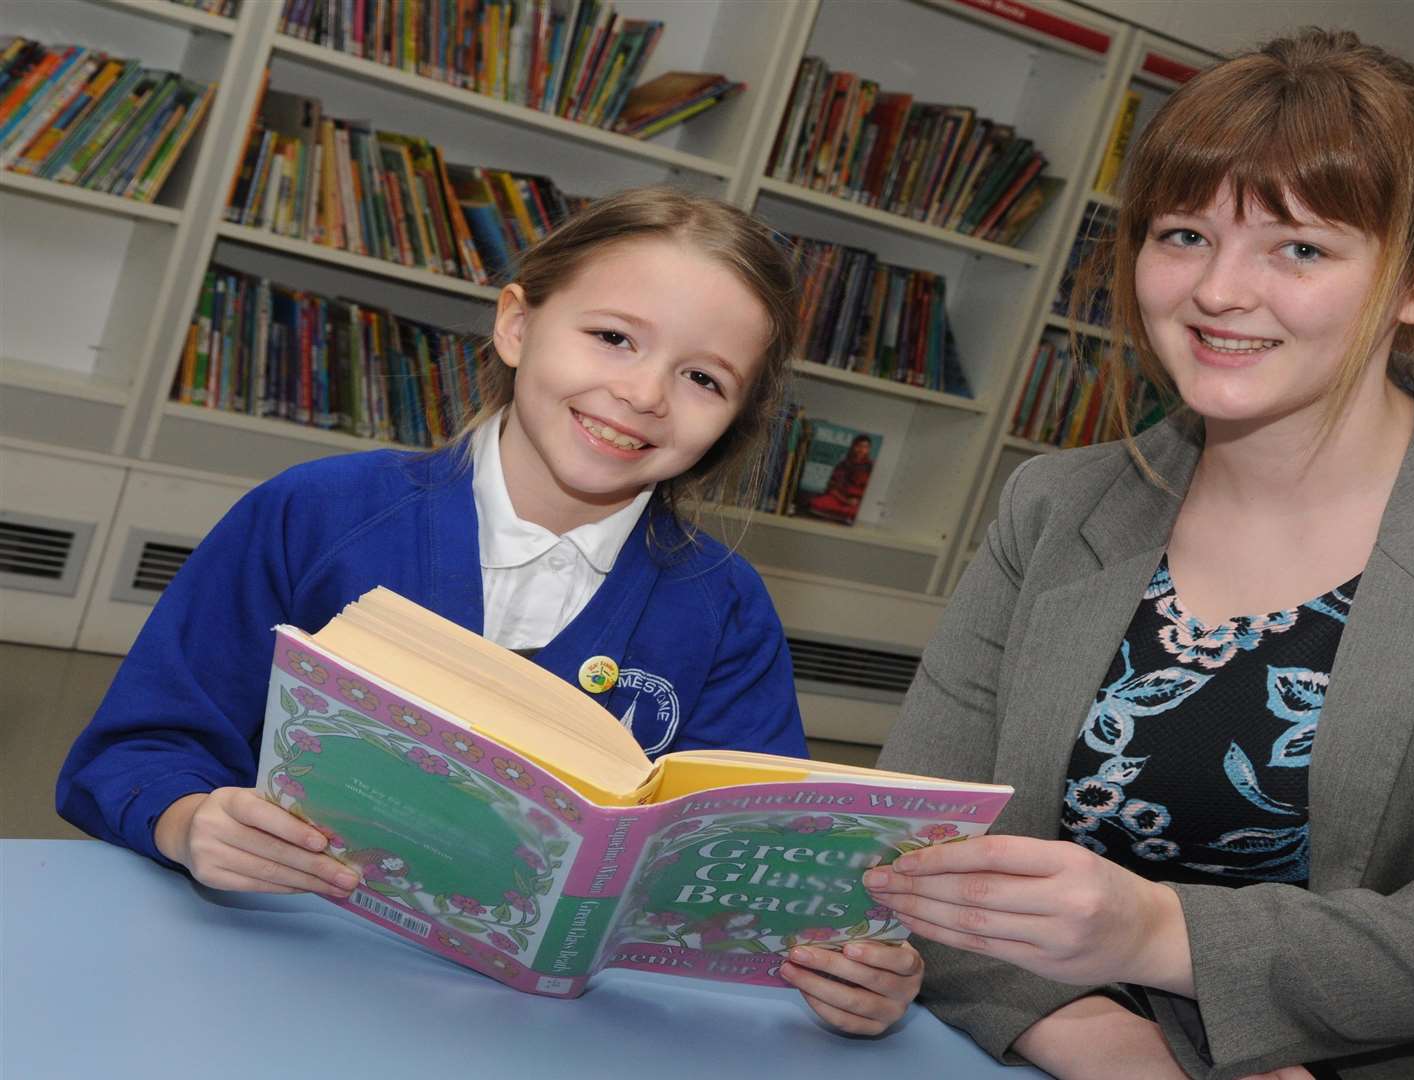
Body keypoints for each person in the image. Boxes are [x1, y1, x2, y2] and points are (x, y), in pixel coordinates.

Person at [869, 30, 1414, 1079]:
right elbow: (919, 850)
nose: (1219, 292)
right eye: (1182, 235)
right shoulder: (1057, 502)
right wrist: (1096, 1034)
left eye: (1299, 248)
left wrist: (1153, 933)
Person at [57, 188, 922, 1036]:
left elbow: (762, 876)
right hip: (271, 973)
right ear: (516, 324)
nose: (645, 393)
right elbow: (135, 750)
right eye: (614, 337)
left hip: (547, 1032)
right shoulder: (316, 513)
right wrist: (188, 822)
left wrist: (851, 967)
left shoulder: (726, 611)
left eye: (702, 377)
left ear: (736, 418)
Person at [806, 433, 874, 523]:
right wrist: (845, 500)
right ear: (853, 447)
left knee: (857, 512)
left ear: (869, 449)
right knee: (815, 503)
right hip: (840, 498)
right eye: (859, 446)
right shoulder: (843, 464)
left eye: (865, 447)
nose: (861, 450)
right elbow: (832, 486)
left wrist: (857, 501)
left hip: (858, 502)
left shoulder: (871, 467)